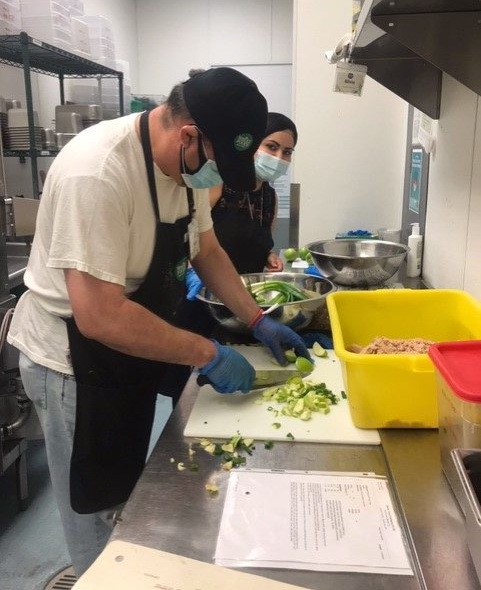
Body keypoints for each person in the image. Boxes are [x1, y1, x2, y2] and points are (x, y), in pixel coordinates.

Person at [7, 67, 310, 577]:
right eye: (216, 162)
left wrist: (257, 319)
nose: (214, 176)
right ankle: (93, 578)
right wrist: (207, 352)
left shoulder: (186, 167)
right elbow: (100, 314)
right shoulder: (98, 171)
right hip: (72, 361)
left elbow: (205, 249)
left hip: (124, 346)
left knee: (125, 492)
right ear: (188, 134)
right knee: (92, 505)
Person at [185, 112, 297, 299]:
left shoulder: (270, 197)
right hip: (206, 292)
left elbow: (257, 242)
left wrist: (268, 256)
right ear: (252, 146)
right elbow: (188, 234)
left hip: (246, 295)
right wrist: (191, 272)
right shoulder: (219, 183)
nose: (279, 158)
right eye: (271, 147)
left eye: (287, 152)